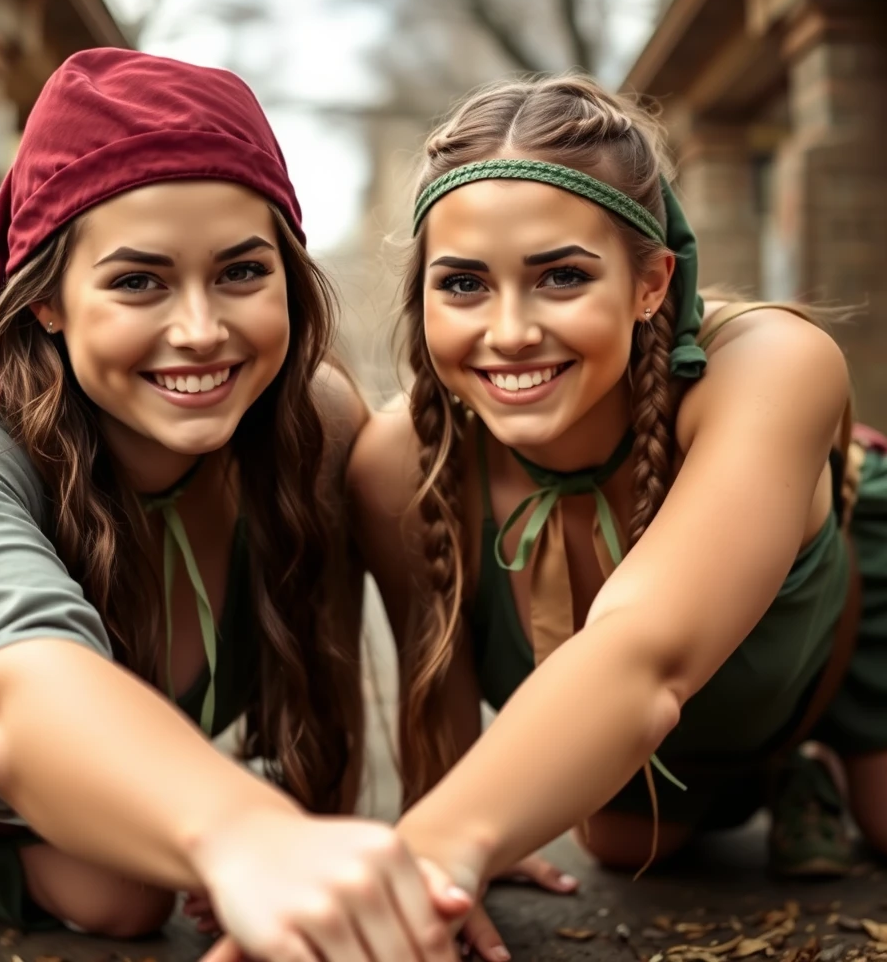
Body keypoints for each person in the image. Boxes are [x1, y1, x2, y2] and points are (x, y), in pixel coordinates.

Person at [0, 48, 471, 962]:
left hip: (28, 828)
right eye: (138, 280)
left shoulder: (315, 427)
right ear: (50, 301)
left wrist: (377, 868)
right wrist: (248, 836)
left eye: (241, 272)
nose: (200, 329)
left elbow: (327, 729)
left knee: (129, 895)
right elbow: (19, 687)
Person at [348, 74, 887, 956]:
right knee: (624, 842)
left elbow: (642, 657)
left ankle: (819, 758)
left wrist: (419, 860)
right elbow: (435, 693)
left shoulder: (773, 363)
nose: (511, 330)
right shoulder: (396, 460)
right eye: (465, 284)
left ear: (650, 284)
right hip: (672, 713)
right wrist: (449, 860)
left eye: (561, 276)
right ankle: (773, 779)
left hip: (833, 629)